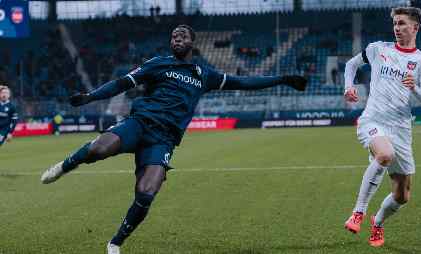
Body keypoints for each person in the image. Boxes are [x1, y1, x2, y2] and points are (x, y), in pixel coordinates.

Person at [40, 24, 307, 254]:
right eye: (174, 37)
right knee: (100, 148)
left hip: (164, 139)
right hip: (139, 124)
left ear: (192, 42)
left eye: (182, 37)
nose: (177, 40)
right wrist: (90, 97)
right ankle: (65, 166)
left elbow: (243, 82)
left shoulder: (204, 75)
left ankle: (115, 243)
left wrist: (282, 79)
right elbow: (122, 84)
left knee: (146, 193)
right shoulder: (157, 64)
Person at [343, 7, 421, 247]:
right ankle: (358, 213)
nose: (397, 28)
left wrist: (413, 87)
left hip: (401, 128)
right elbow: (351, 64)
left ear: (415, 27)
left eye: (403, 23)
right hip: (373, 120)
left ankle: (378, 223)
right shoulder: (378, 49)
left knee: (402, 196)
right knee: (385, 154)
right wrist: (348, 86)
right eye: (395, 23)